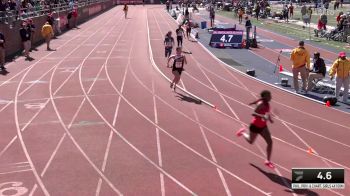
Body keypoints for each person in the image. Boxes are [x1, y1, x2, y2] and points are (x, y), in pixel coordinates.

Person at [236, 90, 274, 169]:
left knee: (270, 142)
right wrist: (262, 116)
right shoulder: (261, 104)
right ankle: (243, 132)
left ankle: (268, 161)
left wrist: (269, 119)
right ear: (265, 97)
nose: (271, 97)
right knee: (250, 141)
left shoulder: (267, 104)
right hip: (255, 126)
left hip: (263, 127)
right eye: (269, 95)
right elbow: (253, 113)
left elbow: (267, 112)